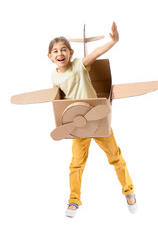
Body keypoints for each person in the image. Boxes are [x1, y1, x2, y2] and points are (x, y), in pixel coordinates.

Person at [48, 22, 137, 217]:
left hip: (98, 118)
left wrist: (113, 41)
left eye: (63, 49)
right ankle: (73, 200)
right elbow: (59, 100)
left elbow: (96, 53)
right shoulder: (54, 77)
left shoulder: (80, 64)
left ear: (71, 53)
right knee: (76, 164)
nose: (59, 53)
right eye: (55, 51)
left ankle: (129, 191)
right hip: (78, 124)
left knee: (116, 157)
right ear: (50, 57)